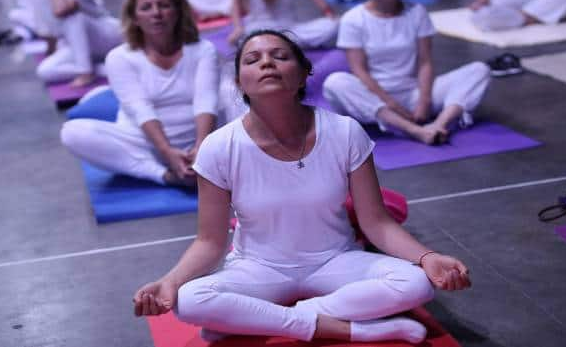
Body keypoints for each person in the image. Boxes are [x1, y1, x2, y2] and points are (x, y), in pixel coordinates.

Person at [133, 29, 471, 344]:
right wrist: (171, 281)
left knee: (417, 282)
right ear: (239, 82)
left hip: (335, 260)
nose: (267, 62)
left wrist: (428, 257)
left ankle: (263, 319)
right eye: (253, 59)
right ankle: (349, 329)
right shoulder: (219, 147)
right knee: (189, 300)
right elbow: (210, 241)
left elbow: (377, 223)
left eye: (280, 56)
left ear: (303, 73)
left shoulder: (344, 132)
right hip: (258, 268)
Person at [60, 0, 219, 186]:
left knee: (240, 99)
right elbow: (141, 109)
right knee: (72, 133)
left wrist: (202, 148)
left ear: (178, 11)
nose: (156, 13)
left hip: (202, 139)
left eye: (164, 5)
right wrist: (167, 151)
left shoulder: (203, 50)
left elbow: (206, 101)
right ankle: (163, 175)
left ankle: (208, 161)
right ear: (135, 18)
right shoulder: (119, 57)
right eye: (146, 8)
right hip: (145, 144)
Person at [323, 0, 491, 145]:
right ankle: (413, 130)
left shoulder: (416, 12)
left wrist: (424, 101)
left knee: (480, 70)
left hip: (413, 94)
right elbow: (359, 71)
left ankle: (438, 124)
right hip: (374, 100)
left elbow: (425, 62)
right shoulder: (354, 19)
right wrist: (391, 104)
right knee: (335, 83)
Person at [30, 0, 122, 86]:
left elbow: (61, 10)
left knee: (72, 17)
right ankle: (99, 69)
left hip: (107, 36)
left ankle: (86, 72)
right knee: (45, 71)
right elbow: (48, 32)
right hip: (77, 46)